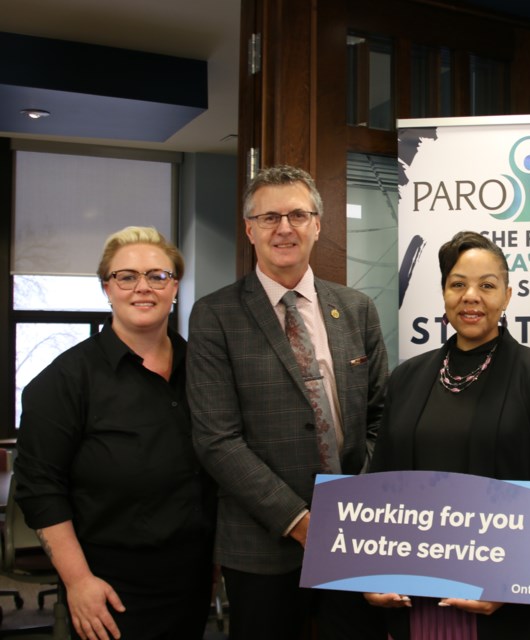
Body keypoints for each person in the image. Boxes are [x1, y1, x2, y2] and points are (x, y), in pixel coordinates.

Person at [187, 164, 389, 640]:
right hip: (263, 542)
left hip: (355, 534)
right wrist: (301, 522)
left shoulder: (356, 308)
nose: (284, 228)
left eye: (298, 214)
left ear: (318, 224)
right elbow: (217, 440)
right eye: (270, 217)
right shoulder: (216, 315)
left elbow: (382, 418)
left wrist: (354, 508)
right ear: (250, 229)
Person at [365, 230, 530, 639]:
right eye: (458, 284)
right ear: (444, 294)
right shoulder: (406, 378)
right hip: (419, 602)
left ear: (507, 295)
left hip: (513, 610)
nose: (471, 296)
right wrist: (368, 571)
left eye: (487, 285)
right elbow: (380, 485)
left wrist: (513, 585)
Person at [14, 226, 215, 640]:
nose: (143, 288)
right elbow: (40, 489)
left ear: (175, 286)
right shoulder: (64, 381)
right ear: (106, 288)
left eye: (158, 276)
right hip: (107, 586)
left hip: (190, 580)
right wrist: (78, 582)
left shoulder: (202, 370)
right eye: (126, 277)